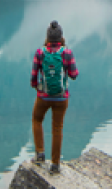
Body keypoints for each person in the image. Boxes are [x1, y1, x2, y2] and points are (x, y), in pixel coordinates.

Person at [30, 20, 78, 174]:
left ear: (48, 37)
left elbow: (33, 79)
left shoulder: (39, 53)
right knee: (57, 128)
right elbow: (74, 75)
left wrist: (38, 87)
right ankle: (55, 164)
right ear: (61, 37)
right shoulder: (67, 53)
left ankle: (39, 154)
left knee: (37, 120)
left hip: (43, 97)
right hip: (62, 97)